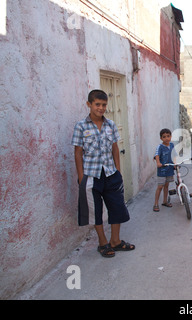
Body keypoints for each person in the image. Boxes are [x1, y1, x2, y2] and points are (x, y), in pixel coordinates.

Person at [72, 89, 135, 258]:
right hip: (91, 176)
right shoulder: (81, 126)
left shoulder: (111, 125)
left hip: (110, 174)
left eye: (104, 105)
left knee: (117, 208)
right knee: (95, 211)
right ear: (89, 105)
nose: (101, 108)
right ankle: (102, 242)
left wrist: (118, 171)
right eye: (97, 104)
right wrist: (81, 177)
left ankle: (115, 241)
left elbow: (115, 148)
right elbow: (78, 153)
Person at [153, 128, 175, 212]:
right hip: (162, 170)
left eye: (168, 136)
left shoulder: (172, 145)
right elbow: (156, 155)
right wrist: (158, 163)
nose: (166, 138)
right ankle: (155, 204)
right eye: (164, 137)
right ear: (161, 138)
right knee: (160, 186)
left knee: (166, 186)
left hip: (169, 169)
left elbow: (174, 154)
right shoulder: (160, 147)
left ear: (171, 136)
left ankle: (165, 201)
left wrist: (175, 164)